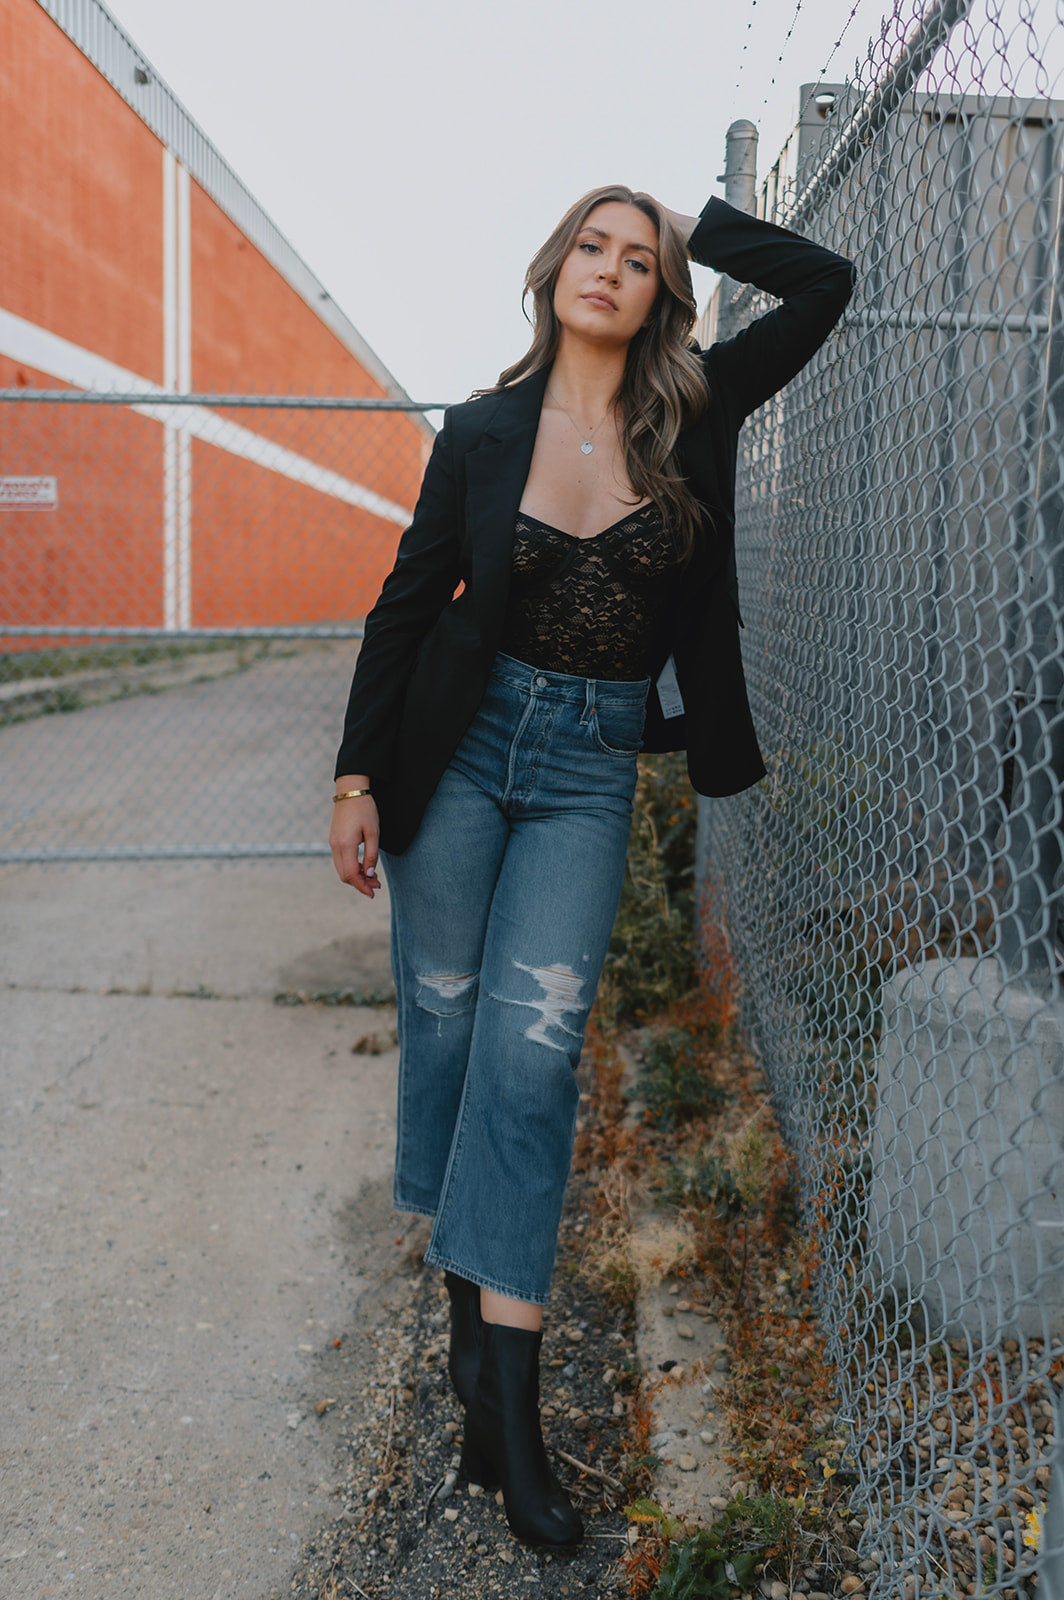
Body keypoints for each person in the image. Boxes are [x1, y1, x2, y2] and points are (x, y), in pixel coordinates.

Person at [330, 185, 855, 1546]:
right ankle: (472, 1333)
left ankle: (510, 1422)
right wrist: (355, 777)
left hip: (586, 766)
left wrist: (699, 222)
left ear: (661, 289)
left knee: (533, 1060)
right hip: (456, 751)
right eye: (592, 246)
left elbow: (826, 286)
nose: (610, 269)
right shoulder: (481, 431)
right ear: (554, 267)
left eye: (637, 258)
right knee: (448, 1024)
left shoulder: (697, 410)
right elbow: (406, 604)